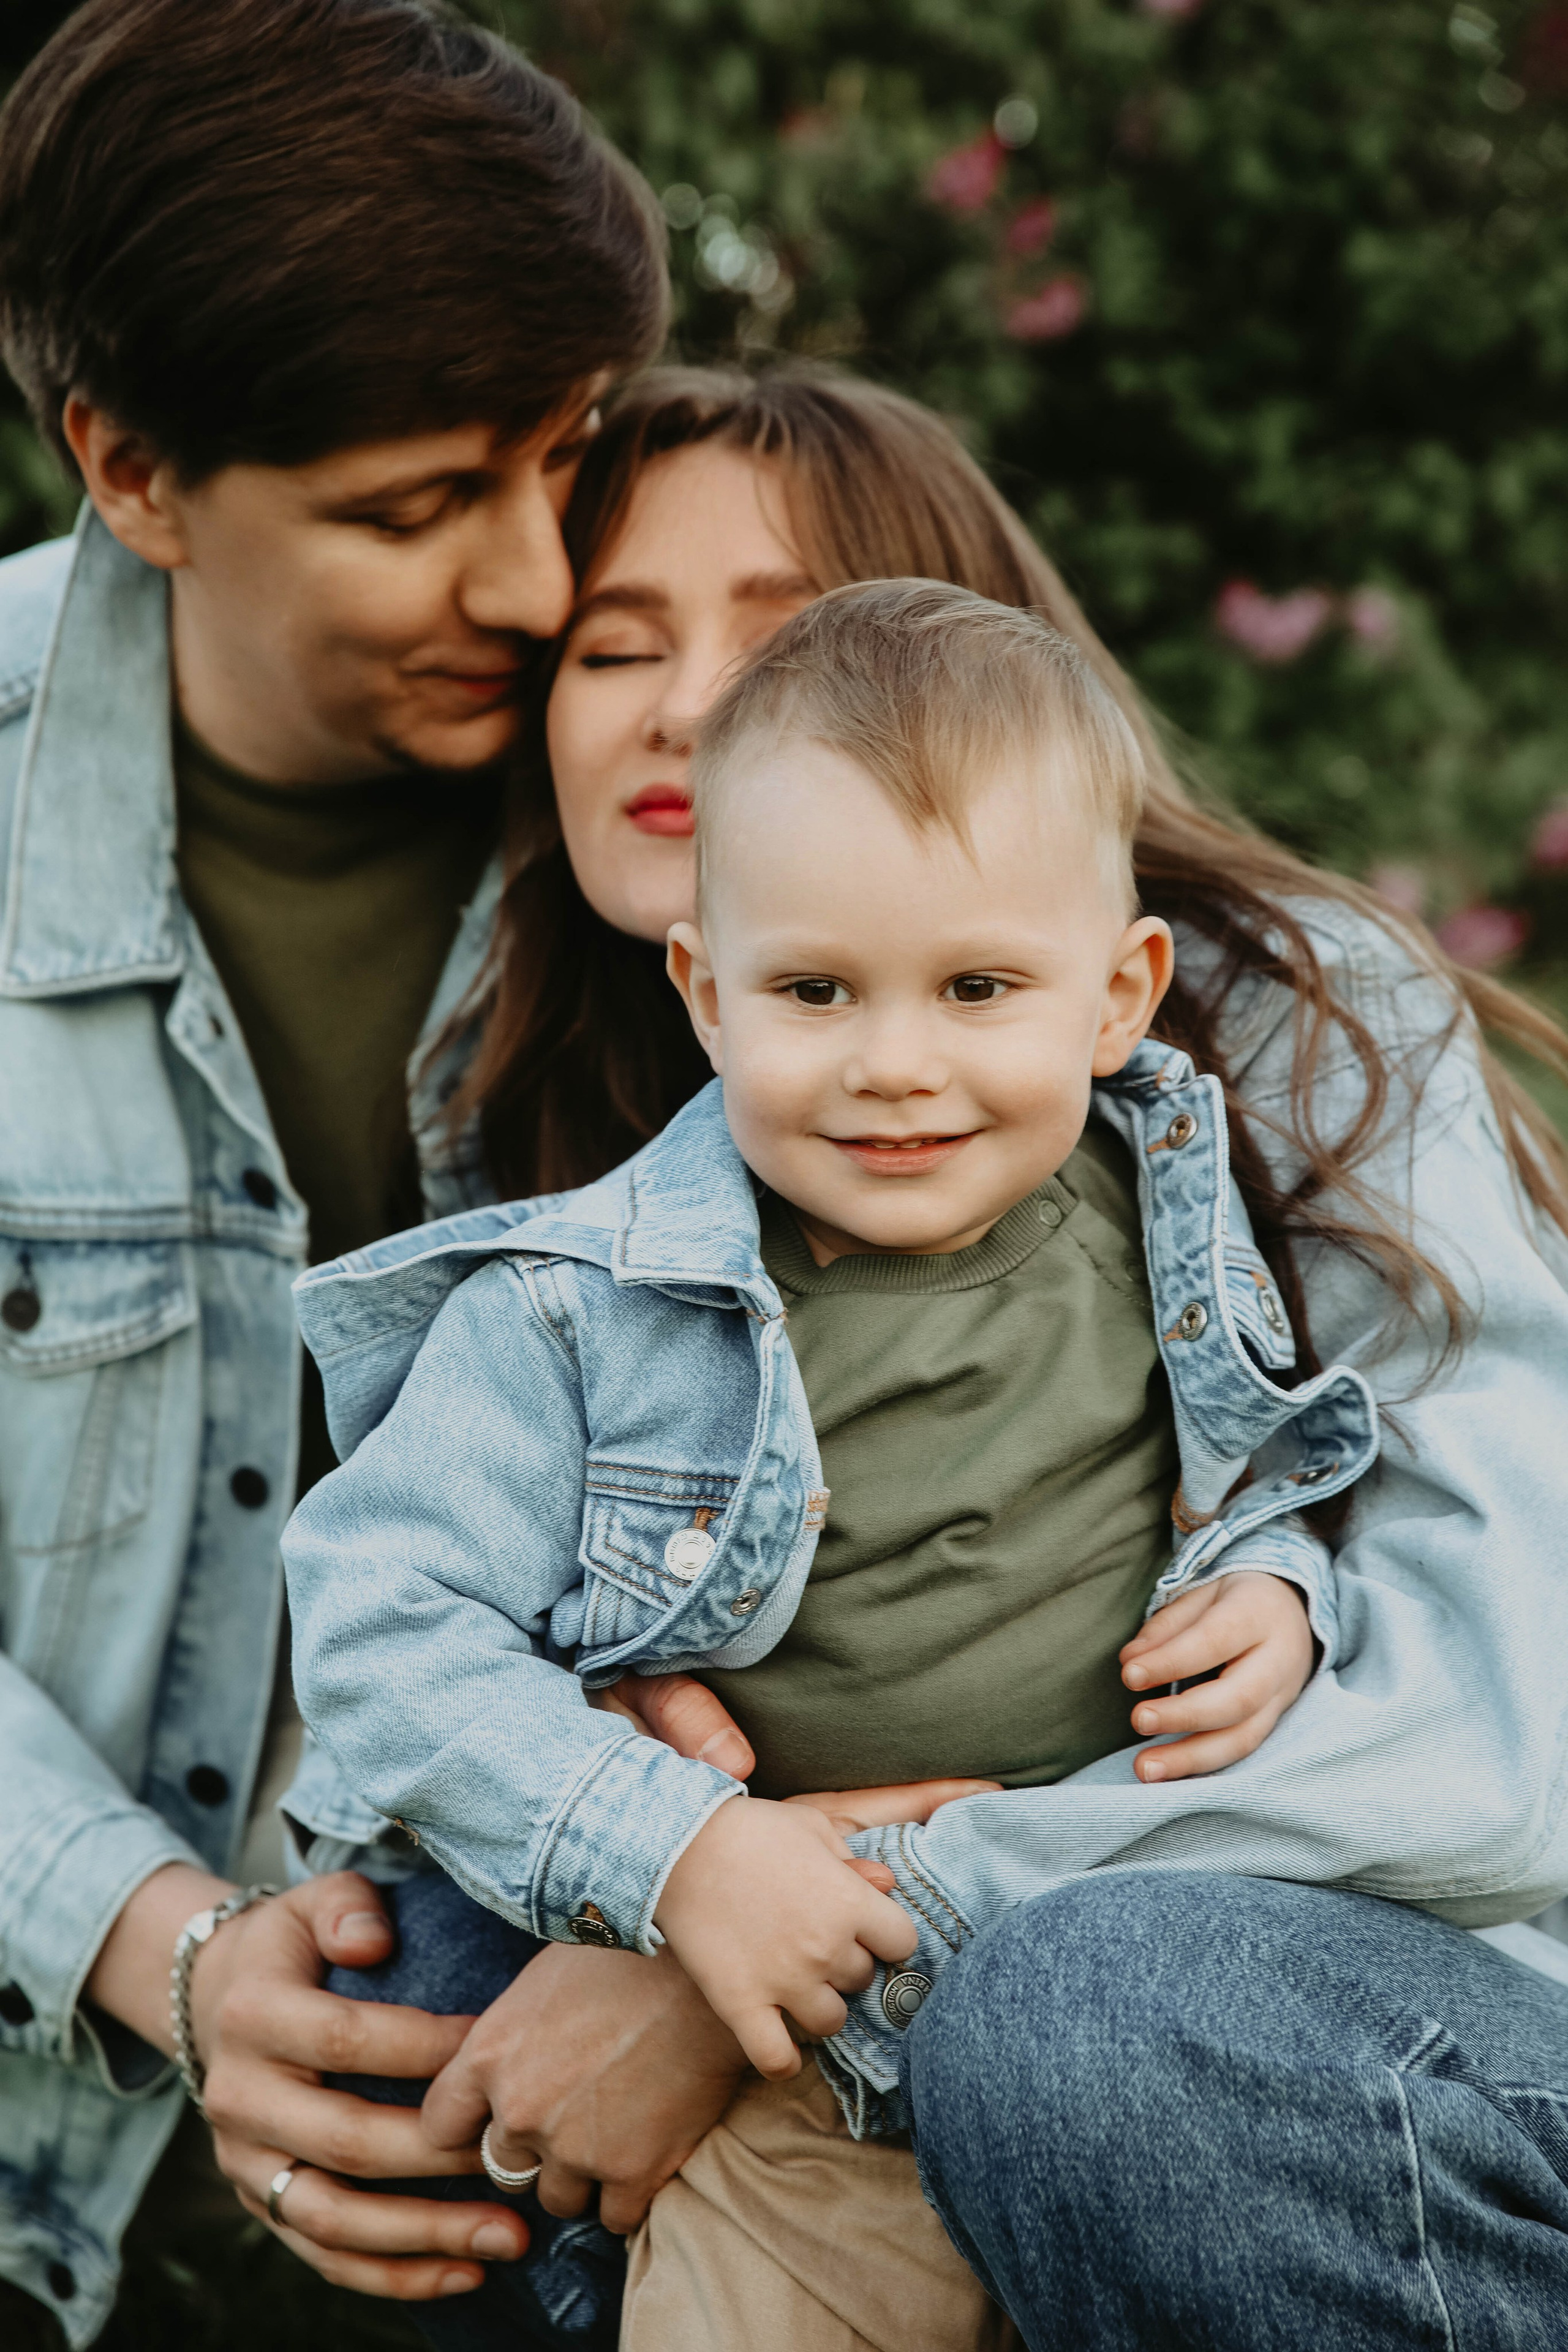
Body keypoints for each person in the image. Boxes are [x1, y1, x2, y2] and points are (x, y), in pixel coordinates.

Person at [301, 367, 1568, 2351]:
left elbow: (1489, 1743)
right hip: (884, 1989)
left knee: (1073, 2022)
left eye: (787, 632)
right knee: (408, 1958)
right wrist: (628, 1818)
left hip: (1377, 2004)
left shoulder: (1276, 1050)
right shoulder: (589, 1189)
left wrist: (799, 1908)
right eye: (611, 642)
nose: (692, 702)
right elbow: (397, 1613)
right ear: (711, 992)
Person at [0, 1, 668, 2343]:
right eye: (415, 510)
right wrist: (152, 1947)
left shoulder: (701, 784)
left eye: (565, 457)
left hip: (623, 2145)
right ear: (135, 468)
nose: (536, 579)